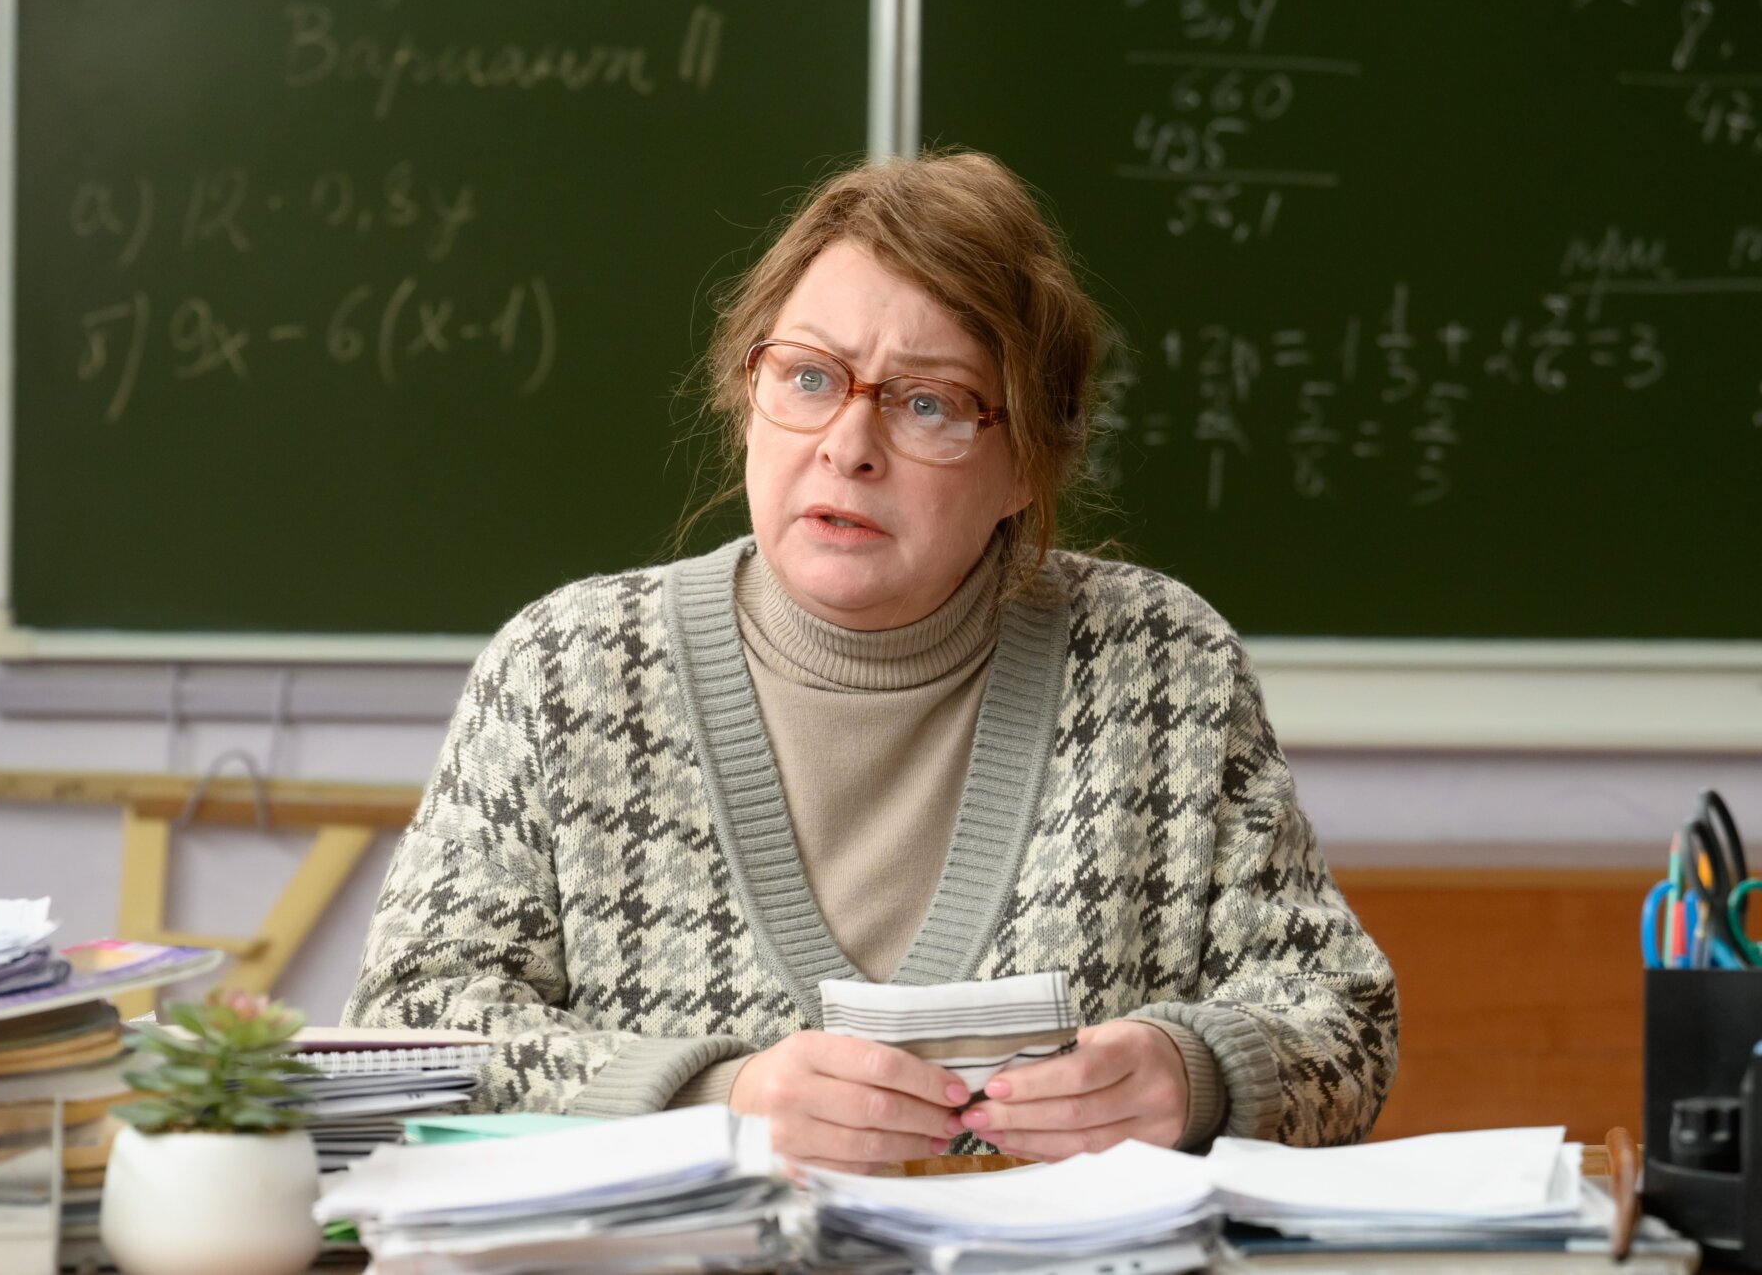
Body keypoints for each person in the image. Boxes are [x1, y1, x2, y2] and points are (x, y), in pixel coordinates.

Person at [345, 150, 1397, 1171]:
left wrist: (1196, 1072)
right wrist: (715, 1099)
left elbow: (1344, 1022)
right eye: (808, 377)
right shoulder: (566, 670)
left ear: (1028, 464)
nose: (848, 444)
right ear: (747, 396)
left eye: (927, 402)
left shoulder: (1165, 667)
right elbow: (408, 1030)